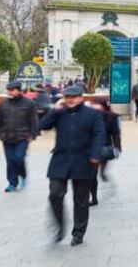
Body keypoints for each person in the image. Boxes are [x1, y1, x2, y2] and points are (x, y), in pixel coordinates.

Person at [39, 85, 106, 245]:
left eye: (73, 97)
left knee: (81, 199)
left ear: (81, 98)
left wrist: (96, 154)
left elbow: (99, 134)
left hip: (84, 161)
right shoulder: (59, 113)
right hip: (60, 160)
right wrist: (54, 109)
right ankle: (60, 226)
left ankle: (78, 232)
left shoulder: (93, 114)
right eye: (67, 96)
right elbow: (42, 126)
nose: (70, 99)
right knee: (55, 194)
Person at [0, 81, 39, 192]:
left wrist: (33, 134)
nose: (9, 92)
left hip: (23, 137)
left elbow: (34, 120)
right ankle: (12, 183)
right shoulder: (2, 103)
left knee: (19, 158)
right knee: (10, 161)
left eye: (12, 90)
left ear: (19, 90)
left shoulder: (29, 103)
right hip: (6, 137)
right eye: (8, 90)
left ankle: (23, 175)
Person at [87, 97, 121, 206]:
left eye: (97, 104)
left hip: (105, 147)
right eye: (93, 104)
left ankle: (105, 179)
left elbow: (116, 133)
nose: (94, 107)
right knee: (92, 175)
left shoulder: (112, 116)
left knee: (100, 172)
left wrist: (117, 147)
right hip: (90, 148)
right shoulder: (89, 115)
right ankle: (94, 197)